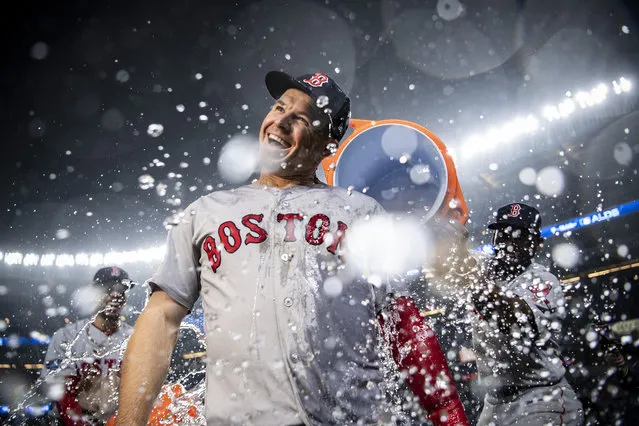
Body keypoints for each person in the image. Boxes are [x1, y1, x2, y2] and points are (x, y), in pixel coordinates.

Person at [116, 70, 468, 425]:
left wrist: (449, 417)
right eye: (279, 108)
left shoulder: (361, 212)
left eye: (300, 118)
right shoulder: (205, 212)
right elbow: (161, 317)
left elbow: (403, 325)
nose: (279, 122)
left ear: (329, 144)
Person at [432, 203, 584, 425]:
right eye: (502, 234)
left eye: (519, 236)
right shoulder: (484, 266)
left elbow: (513, 321)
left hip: (540, 398)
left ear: (537, 244)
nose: (509, 243)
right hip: (494, 401)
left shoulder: (542, 281)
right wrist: (444, 232)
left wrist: (471, 276)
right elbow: (438, 264)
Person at [41, 266, 134, 425]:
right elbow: (63, 396)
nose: (115, 295)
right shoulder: (67, 335)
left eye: (122, 289)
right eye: (107, 288)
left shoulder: (135, 338)